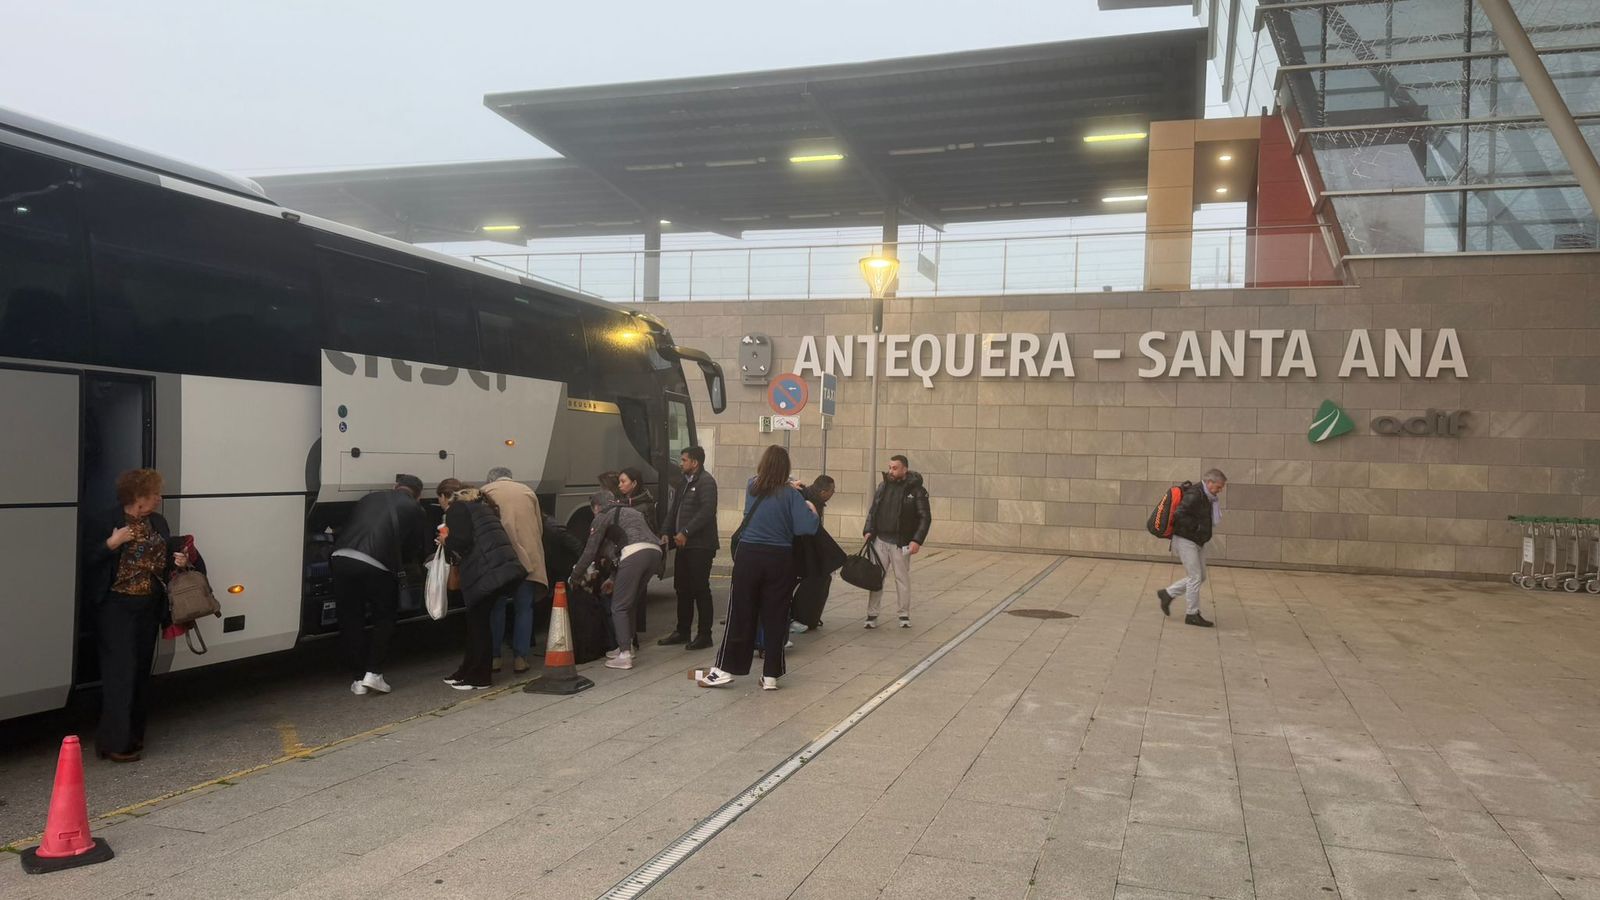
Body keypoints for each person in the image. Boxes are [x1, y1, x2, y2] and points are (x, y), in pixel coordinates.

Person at [81, 469, 195, 762]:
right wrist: (112, 543)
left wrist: (179, 560)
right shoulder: (106, 521)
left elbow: (164, 557)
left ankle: (133, 736)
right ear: (138, 497)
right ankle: (113, 743)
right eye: (154, 493)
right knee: (120, 672)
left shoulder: (157, 522)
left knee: (141, 672)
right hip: (116, 607)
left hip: (148, 606)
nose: (159, 498)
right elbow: (85, 559)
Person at [698, 445, 818, 691]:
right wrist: (811, 509)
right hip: (780, 558)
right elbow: (805, 528)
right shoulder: (793, 496)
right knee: (775, 616)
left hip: (749, 555)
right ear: (787, 469)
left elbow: (765, 485)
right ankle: (771, 675)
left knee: (740, 613)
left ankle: (724, 670)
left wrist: (787, 485)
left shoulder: (752, 486)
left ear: (763, 464)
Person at [331, 474, 432, 695]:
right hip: (376, 564)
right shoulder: (416, 509)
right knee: (384, 618)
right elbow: (414, 547)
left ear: (395, 486)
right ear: (419, 493)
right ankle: (373, 673)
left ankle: (357, 680)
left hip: (340, 558)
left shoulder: (369, 498)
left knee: (351, 619)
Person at [441, 486, 526, 690]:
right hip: (496, 569)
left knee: (478, 626)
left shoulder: (457, 509)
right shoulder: (481, 507)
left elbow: (461, 541)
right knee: (477, 623)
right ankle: (467, 671)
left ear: (447, 497)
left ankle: (479, 677)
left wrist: (445, 541)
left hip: (484, 571)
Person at [572, 492, 662, 670]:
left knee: (618, 606)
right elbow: (615, 550)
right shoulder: (632, 512)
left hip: (634, 553)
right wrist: (613, 578)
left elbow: (590, 551)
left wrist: (575, 575)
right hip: (654, 552)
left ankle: (624, 655)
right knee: (630, 603)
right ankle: (627, 647)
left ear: (596, 507)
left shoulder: (602, 516)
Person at [481, 467, 548, 674]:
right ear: (510, 478)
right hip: (527, 558)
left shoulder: (485, 491)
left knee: (497, 607)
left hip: (500, 560)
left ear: (491, 478)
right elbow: (539, 526)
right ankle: (520, 658)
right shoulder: (528, 491)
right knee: (524, 608)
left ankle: (495, 658)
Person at [658, 446, 719, 651]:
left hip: (700, 545)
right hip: (683, 545)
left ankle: (704, 634)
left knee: (700, 588)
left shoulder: (706, 482)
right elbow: (673, 509)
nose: (681, 463)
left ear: (695, 463)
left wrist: (685, 531)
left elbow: (706, 512)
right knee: (682, 588)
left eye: (684, 460)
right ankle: (682, 631)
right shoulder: (683, 482)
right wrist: (666, 530)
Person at [863, 455, 932, 630]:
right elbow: (873, 510)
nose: (890, 471)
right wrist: (868, 529)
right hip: (880, 540)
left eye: (895, 468)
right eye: (890, 467)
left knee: (902, 579)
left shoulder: (916, 490)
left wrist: (917, 540)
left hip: (901, 543)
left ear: (904, 469)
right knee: (876, 578)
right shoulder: (883, 486)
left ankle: (904, 614)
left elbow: (925, 517)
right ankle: (872, 614)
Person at [1156, 468, 1227, 628]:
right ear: (1209, 482)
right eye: (1218, 486)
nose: (1220, 490)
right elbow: (1179, 514)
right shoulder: (1195, 494)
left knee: (1200, 576)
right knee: (1195, 577)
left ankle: (1168, 593)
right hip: (1185, 540)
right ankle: (1192, 614)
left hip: (1197, 541)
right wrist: (1197, 528)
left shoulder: (1208, 496)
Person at [790, 474, 839, 634]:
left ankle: (805, 616)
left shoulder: (812, 498)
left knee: (817, 576)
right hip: (794, 549)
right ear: (824, 492)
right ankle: (795, 618)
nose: (833, 493)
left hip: (801, 548)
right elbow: (808, 527)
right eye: (833, 490)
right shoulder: (805, 499)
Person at [615, 466, 658, 633]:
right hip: (627, 552)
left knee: (632, 597)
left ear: (634, 483)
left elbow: (650, 529)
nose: (620, 485)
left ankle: (630, 636)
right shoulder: (623, 502)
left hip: (637, 553)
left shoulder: (644, 505)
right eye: (619, 481)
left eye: (623, 481)